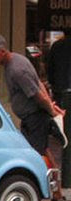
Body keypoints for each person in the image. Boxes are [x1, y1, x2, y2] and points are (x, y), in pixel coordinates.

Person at [0, 33, 68, 201]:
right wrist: (51, 105)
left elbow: (36, 93)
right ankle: (57, 195)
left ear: (2, 51)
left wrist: (52, 111)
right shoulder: (16, 61)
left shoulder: (16, 69)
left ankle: (52, 193)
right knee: (43, 152)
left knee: (38, 155)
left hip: (34, 118)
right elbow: (39, 84)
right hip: (32, 117)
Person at [47, 30, 71, 188]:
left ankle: (68, 179)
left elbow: (51, 73)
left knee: (66, 139)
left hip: (62, 95)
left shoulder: (57, 46)